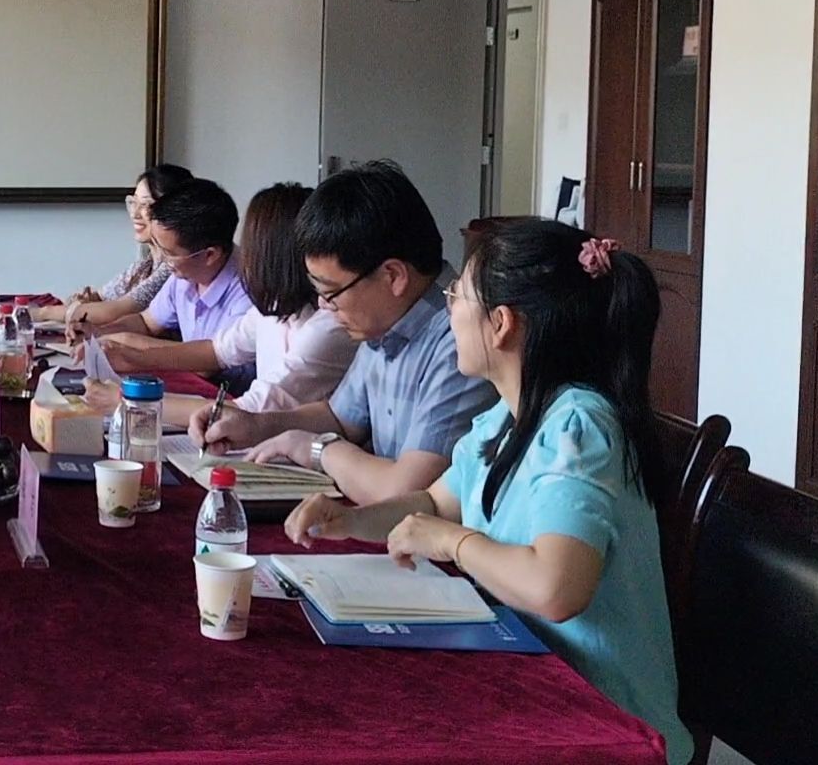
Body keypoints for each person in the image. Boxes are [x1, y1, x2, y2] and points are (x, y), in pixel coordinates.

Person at [283, 220, 691, 764]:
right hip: (531, 685)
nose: (449, 309)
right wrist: (350, 519)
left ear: (501, 324)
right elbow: (435, 504)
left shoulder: (578, 427)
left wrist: (451, 543)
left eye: (457, 296)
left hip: (603, 723)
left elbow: (555, 588)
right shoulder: (507, 415)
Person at [191, 160, 495, 504]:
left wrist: (318, 450)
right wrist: (254, 425)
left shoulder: (461, 338)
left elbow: (408, 494)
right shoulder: (385, 318)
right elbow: (340, 418)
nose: (324, 306)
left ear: (393, 276)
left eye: (331, 292)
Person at [100, 183, 356, 413]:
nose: (243, 258)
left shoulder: (327, 326)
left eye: (251, 248)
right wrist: (136, 358)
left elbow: (250, 410)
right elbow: (216, 351)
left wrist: (131, 400)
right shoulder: (274, 307)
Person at [79, 178, 253, 352]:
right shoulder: (185, 274)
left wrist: (119, 341)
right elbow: (146, 323)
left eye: (169, 253)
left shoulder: (249, 291)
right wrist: (98, 332)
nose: (163, 259)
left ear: (209, 255)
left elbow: (208, 359)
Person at [36, 164, 192, 328]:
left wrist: (42, 313)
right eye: (134, 202)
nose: (135, 214)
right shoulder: (145, 265)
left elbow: (113, 312)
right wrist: (85, 302)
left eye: (146, 205)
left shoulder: (173, 266)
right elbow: (101, 296)